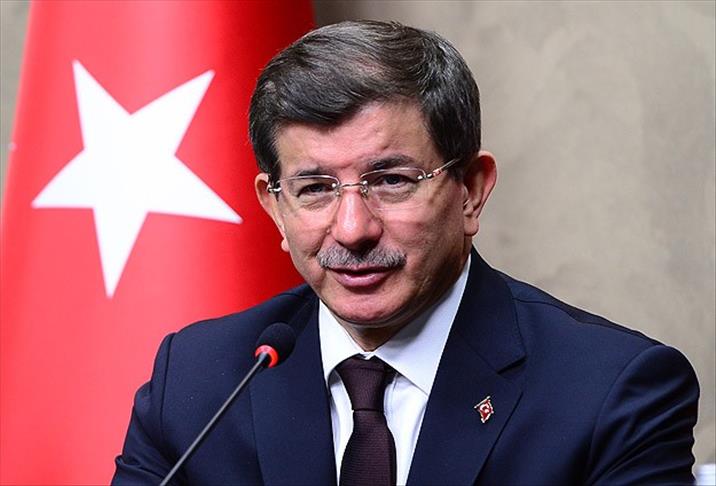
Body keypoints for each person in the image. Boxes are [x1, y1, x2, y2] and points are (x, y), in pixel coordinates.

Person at [113, 20, 699, 485]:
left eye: (391, 180)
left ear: (471, 191)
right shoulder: (197, 382)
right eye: (315, 189)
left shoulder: (611, 392)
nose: (352, 230)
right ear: (275, 207)